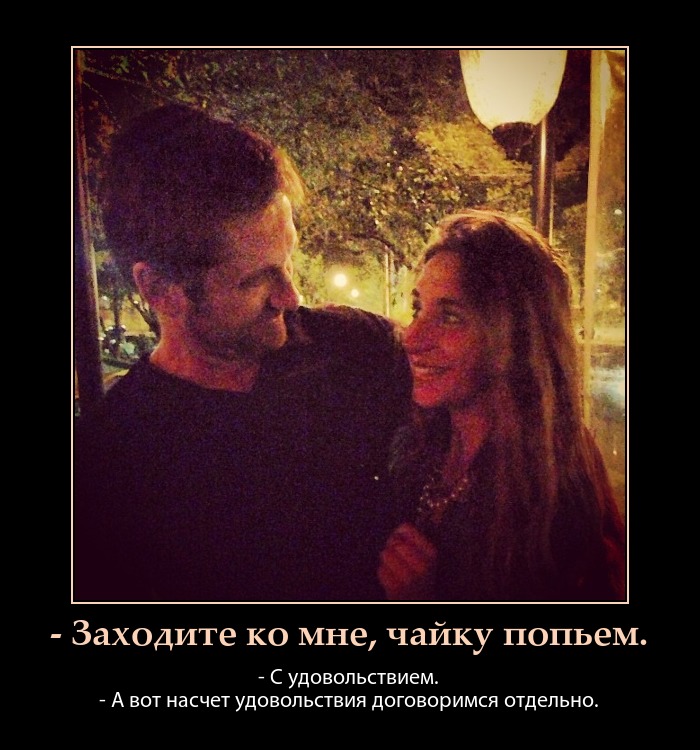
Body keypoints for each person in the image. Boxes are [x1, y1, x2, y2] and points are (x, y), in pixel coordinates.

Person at [73, 103, 412, 602]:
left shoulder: (359, 352)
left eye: (287, 260)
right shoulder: (106, 471)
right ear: (160, 288)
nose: (290, 296)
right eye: (255, 280)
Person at [377, 209, 625, 602]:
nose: (412, 338)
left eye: (450, 317)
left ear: (514, 335)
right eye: (418, 309)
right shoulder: (415, 445)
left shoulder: (555, 481)